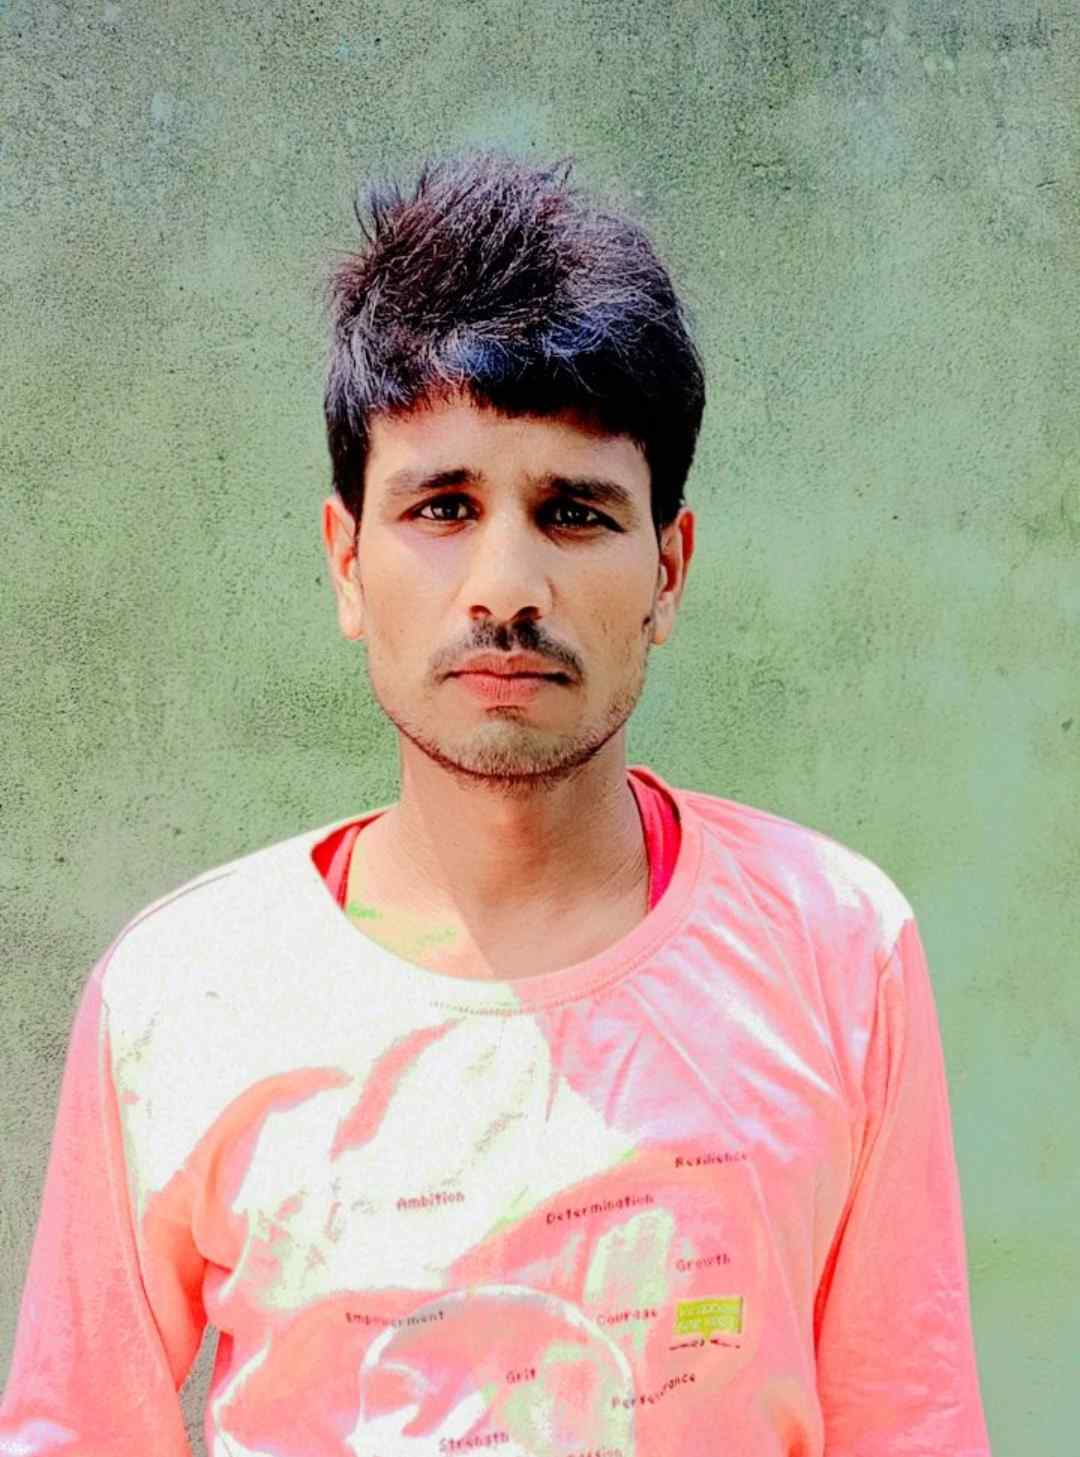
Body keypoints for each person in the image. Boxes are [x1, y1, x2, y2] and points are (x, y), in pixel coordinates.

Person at [0, 148, 992, 1457]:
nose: (506, 587)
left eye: (574, 512)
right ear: (347, 561)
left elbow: (911, 1424)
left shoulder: (836, 950)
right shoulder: (182, 997)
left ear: (669, 569)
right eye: (443, 506)